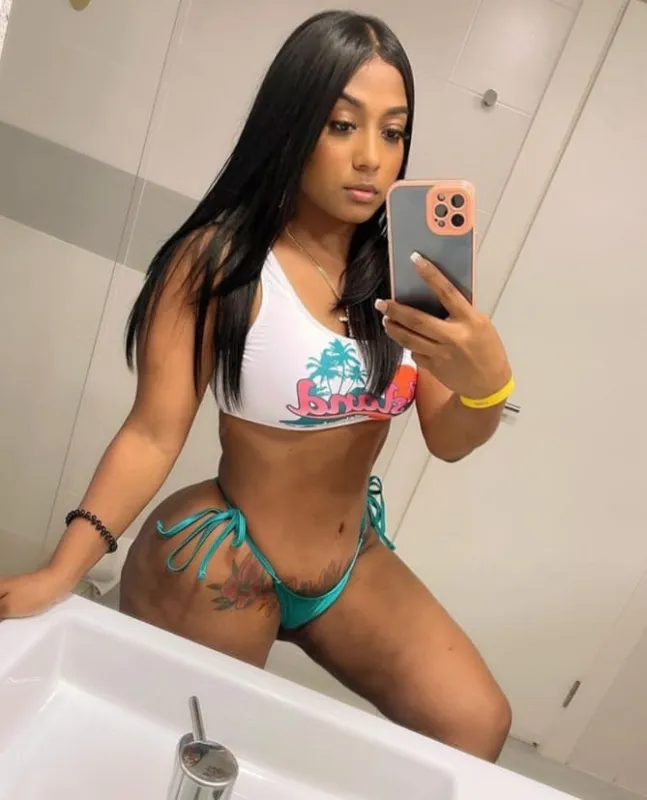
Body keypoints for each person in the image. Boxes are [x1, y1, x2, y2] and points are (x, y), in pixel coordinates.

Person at [0, 10, 514, 761]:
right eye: (342, 126)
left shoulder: (407, 277)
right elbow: (152, 433)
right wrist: (61, 571)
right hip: (228, 555)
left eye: (393, 131)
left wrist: (486, 384)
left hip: (349, 562)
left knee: (477, 722)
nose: (371, 158)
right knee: (204, 754)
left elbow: (451, 439)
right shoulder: (221, 263)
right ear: (293, 123)